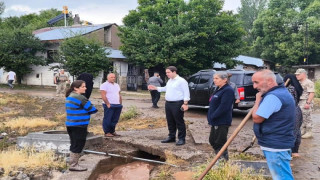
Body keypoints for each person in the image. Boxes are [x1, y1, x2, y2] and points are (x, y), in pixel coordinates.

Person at [252, 70, 295, 180]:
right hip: (278, 142)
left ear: (270, 81)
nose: (254, 86)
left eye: (256, 82)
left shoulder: (273, 97)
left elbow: (257, 118)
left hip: (276, 145)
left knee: (281, 177)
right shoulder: (281, 93)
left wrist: (257, 101)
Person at [148, 66, 190, 146]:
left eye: (168, 72)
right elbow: (166, 88)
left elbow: (186, 92)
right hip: (168, 103)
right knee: (170, 121)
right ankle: (171, 136)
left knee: (179, 121)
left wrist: (185, 103)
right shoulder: (170, 80)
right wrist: (156, 88)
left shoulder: (181, 81)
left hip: (177, 103)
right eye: (166, 72)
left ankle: (181, 138)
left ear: (174, 72)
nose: (167, 74)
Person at [65, 80, 98, 171]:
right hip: (79, 125)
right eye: (83, 86)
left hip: (70, 124)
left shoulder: (69, 96)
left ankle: (72, 162)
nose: (85, 88)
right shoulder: (81, 98)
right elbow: (93, 109)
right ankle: (74, 165)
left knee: (74, 143)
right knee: (78, 144)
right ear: (76, 88)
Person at [207, 72, 234, 161]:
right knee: (212, 140)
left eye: (217, 78)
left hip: (221, 121)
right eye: (214, 78)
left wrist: (213, 116)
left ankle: (223, 160)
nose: (214, 80)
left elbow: (224, 107)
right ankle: (219, 157)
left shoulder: (228, 90)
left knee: (220, 142)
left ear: (225, 80)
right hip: (215, 120)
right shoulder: (218, 89)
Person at [284, 74, 303, 158]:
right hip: (297, 110)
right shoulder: (297, 88)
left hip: (291, 111)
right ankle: (295, 151)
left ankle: (288, 154)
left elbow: (289, 101)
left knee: (291, 132)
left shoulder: (290, 89)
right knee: (297, 131)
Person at [100, 73, 123, 137]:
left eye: (114, 77)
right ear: (108, 78)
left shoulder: (117, 85)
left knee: (115, 119)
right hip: (109, 104)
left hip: (117, 104)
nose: (113, 78)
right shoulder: (104, 85)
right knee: (108, 118)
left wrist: (120, 103)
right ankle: (107, 132)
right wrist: (107, 103)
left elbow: (119, 94)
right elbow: (103, 95)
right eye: (111, 77)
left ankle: (112, 131)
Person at [295, 68, 315, 139]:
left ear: (303, 74)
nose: (296, 76)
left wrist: (308, 103)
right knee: (301, 117)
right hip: (300, 101)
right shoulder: (299, 82)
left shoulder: (308, 82)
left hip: (306, 101)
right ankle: (303, 130)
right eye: (296, 75)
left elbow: (311, 93)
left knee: (307, 117)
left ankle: (309, 132)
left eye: (298, 75)